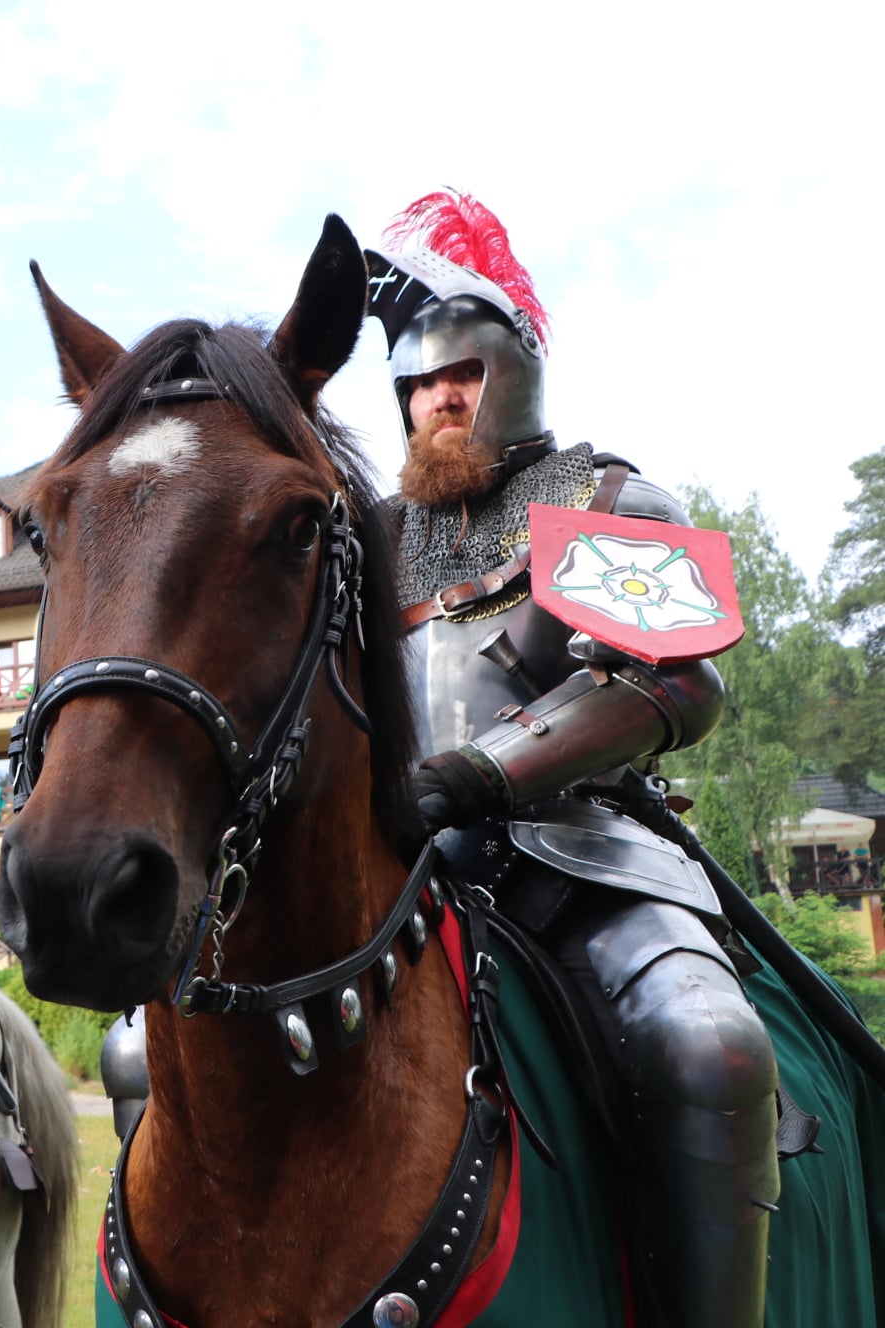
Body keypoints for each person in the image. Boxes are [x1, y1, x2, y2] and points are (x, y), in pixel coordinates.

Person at [368, 190, 776, 1327]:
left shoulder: (604, 499)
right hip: (393, 862)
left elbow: (674, 680)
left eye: (462, 373)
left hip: (583, 851)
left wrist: (477, 773)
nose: (439, 399)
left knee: (705, 1050)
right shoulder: (372, 541)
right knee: (156, 1042)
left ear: (516, 374)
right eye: (416, 385)